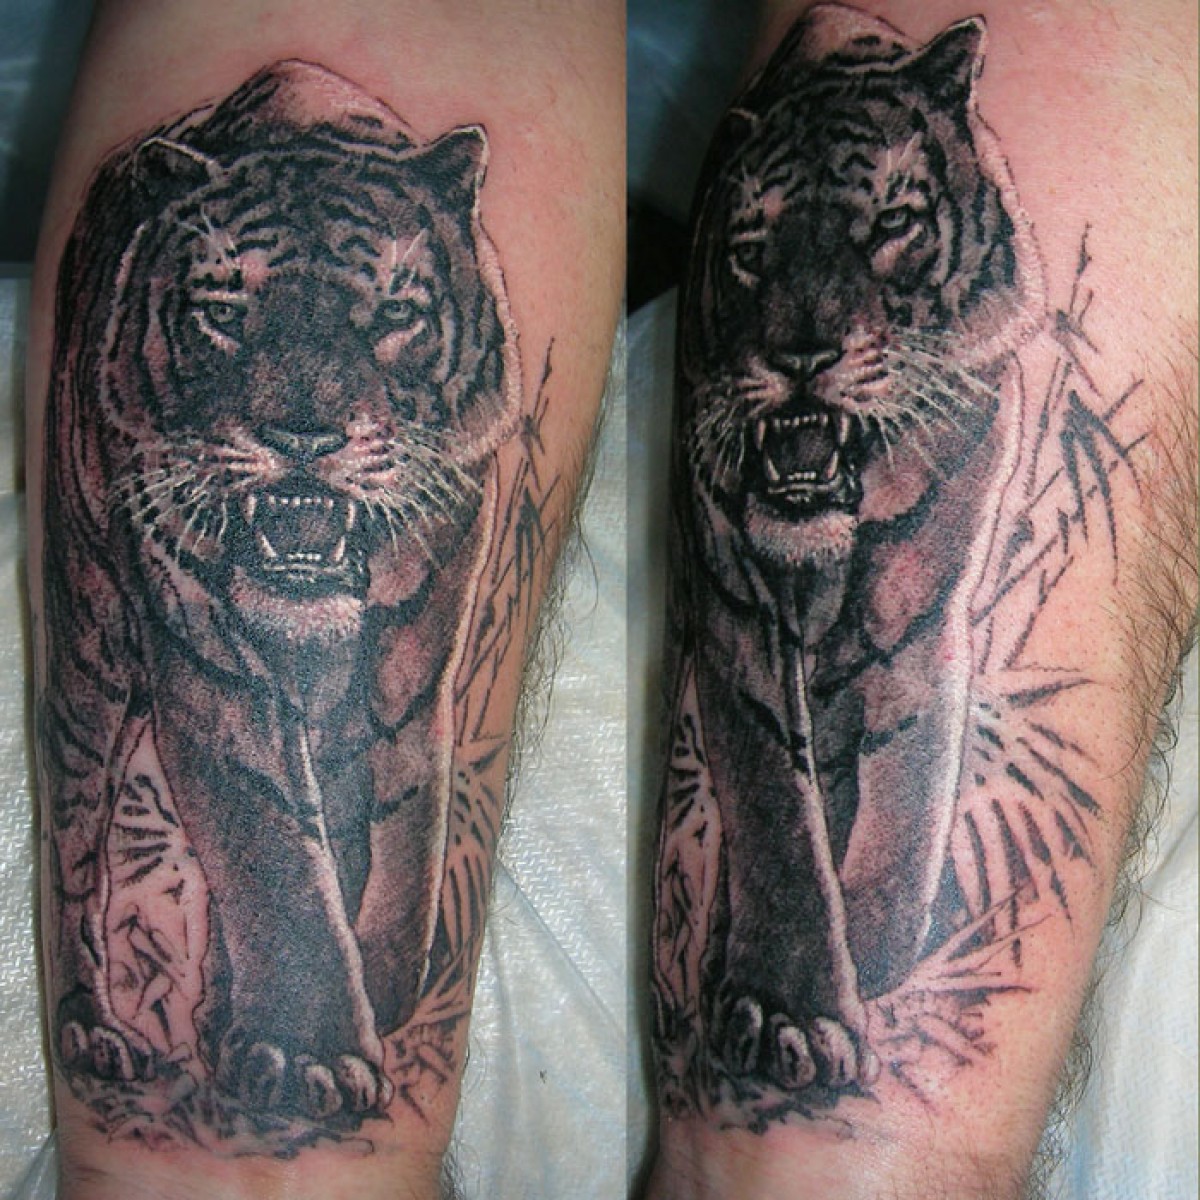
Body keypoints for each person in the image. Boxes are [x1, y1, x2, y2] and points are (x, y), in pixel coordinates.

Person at [25, 2, 622, 1197]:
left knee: (395, 730)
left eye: (391, 316)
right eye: (227, 313)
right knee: (101, 682)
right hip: (170, 425)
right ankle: (127, 989)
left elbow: (406, 726)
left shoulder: (438, 426)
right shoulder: (154, 340)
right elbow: (220, 724)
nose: (303, 411)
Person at [644, 2, 1197, 1198]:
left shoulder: (962, 352)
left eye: (890, 228)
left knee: (897, 697)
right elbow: (743, 664)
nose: (809, 330)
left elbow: (915, 647)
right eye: (763, 252)